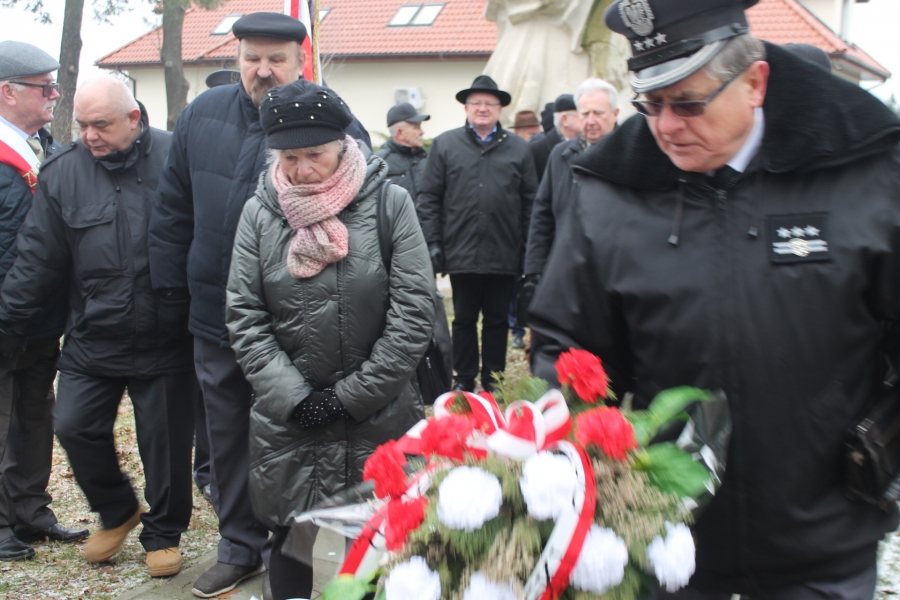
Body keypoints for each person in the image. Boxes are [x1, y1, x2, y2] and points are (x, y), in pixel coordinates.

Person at [529, 0, 900, 598]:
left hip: (824, 541)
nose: (666, 127)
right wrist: (577, 463)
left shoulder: (866, 167)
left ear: (755, 82)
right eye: (650, 104)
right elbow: (568, 348)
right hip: (666, 541)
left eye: (688, 103)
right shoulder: (610, 191)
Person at [149, 12, 371, 597]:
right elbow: (172, 212)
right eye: (252, 58)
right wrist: (172, 296)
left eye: (277, 59)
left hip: (300, 325)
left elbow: (363, 225)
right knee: (225, 438)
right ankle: (239, 547)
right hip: (214, 316)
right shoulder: (201, 115)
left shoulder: (335, 123)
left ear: (301, 61)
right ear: (238, 58)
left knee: (296, 437)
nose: (263, 70)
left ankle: (293, 554)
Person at [227, 79, 434, 600]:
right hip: (288, 419)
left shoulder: (388, 204)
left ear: (342, 146)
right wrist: (295, 398)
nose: (301, 170)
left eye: (314, 155)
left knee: (375, 543)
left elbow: (413, 313)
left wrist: (349, 398)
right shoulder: (260, 213)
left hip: (378, 413)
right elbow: (245, 316)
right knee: (290, 537)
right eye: (289, 158)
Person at [0, 75, 195, 576]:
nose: (90, 136)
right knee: (74, 427)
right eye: (83, 125)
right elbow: (39, 256)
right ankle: (116, 510)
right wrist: (7, 320)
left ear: (134, 118)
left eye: (101, 125)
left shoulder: (176, 157)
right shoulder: (63, 172)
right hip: (93, 334)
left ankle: (164, 535)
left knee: (166, 446)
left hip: (166, 334)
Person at [0, 41, 87, 562]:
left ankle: (30, 511)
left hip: (41, 315)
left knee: (34, 416)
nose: (55, 95)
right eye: (45, 87)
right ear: (8, 93)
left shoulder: (46, 150)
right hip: (3, 314)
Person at [417, 75, 538, 393]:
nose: (482, 108)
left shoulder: (519, 149)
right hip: (461, 250)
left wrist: (529, 249)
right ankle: (465, 377)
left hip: (505, 250)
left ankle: (494, 379)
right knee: (464, 318)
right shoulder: (446, 145)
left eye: (489, 103)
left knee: (498, 319)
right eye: (476, 103)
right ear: (466, 108)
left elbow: (530, 202)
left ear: (500, 109)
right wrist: (433, 242)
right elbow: (429, 197)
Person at [523, 78, 619, 280]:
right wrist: (534, 268)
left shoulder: (631, 154)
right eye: (585, 114)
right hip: (567, 268)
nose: (590, 121)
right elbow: (542, 214)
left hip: (615, 269)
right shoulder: (561, 154)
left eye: (598, 113)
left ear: (615, 113)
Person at [375, 102, 429, 202]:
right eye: (416, 127)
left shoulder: (427, 158)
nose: (422, 132)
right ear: (400, 133)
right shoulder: (380, 163)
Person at [529, 93, 580, 182]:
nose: (588, 119)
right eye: (582, 114)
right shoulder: (536, 151)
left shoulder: (588, 146)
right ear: (564, 120)